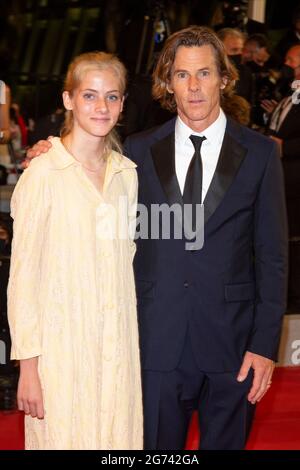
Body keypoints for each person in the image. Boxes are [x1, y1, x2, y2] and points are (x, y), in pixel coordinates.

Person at [27, 26, 288, 450]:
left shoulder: (259, 154)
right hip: (155, 344)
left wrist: (264, 345)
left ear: (223, 78)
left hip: (234, 347)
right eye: (182, 75)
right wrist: (49, 150)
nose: (194, 87)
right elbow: (86, 165)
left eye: (204, 73)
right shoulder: (137, 151)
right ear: (168, 83)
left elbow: (273, 257)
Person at [8, 51, 143, 450]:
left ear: (122, 103)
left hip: (117, 349)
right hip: (60, 355)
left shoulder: (126, 175)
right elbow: (23, 278)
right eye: (90, 95)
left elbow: (124, 265)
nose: (101, 107)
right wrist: (28, 368)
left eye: (112, 97)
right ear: (68, 100)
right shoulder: (43, 175)